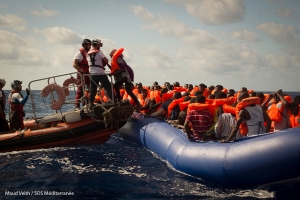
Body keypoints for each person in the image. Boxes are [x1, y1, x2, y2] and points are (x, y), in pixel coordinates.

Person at [87, 39, 113, 109]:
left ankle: (90, 103)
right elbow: (106, 60)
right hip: (100, 73)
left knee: (93, 89)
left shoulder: (88, 53)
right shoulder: (99, 52)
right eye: (99, 45)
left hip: (92, 74)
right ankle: (114, 101)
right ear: (97, 45)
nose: (100, 47)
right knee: (108, 87)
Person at [73, 38, 91, 110]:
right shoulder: (79, 54)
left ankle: (87, 104)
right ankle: (77, 106)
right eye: (89, 45)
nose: (90, 46)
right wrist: (81, 70)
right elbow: (74, 64)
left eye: (90, 45)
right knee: (80, 90)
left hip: (89, 74)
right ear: (84, 45)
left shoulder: (89, 54)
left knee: (90, 89)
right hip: (82, 75)